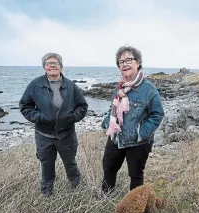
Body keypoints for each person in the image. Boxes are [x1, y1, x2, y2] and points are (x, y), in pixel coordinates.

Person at [19, 52, 88, 196]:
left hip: (66, 134)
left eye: (55, 63)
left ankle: (78, 191)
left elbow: (82, 106)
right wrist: (39, 117)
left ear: (61, 66)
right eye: (48, 63)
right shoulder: (35, 85)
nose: (51, 66)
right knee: (46, 166)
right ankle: (47, 195)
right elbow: (25, 106)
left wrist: (72, 117)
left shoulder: (71, 86)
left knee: (71, 164)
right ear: (44, 67)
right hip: (44, 135)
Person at [101, 46, 165, 193]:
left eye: (129, 59)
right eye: (121, 61)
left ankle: (135, 208)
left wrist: (140, 133)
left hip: (138, 142)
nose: (124, 63)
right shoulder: (119, 87)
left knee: (136, 175)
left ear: (138, 63)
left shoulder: (148, 89)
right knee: (108, 168)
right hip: (116, 137)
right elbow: (112, 109)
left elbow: (157, 115)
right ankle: (106, 199)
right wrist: (106, 123)